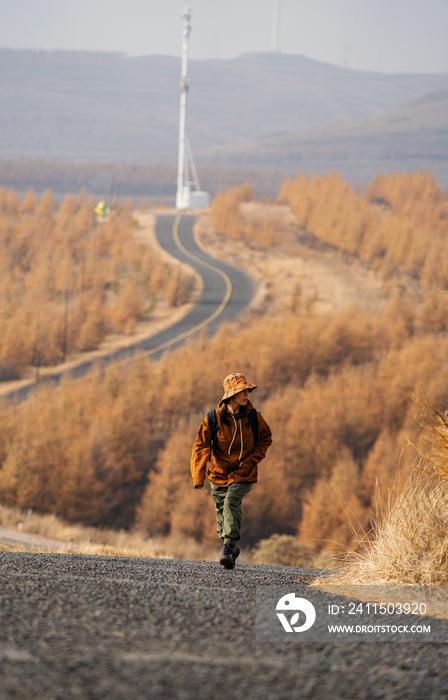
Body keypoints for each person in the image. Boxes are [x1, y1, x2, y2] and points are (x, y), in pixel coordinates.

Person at [191, 373, 272, 569]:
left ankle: (228, 547)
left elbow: (265, 440)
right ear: (230, 395)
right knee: (221, 514)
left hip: (244, 473)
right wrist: (199, 475)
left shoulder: (254, 417)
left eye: (247, 390)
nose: (246, 394)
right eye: (242, 391)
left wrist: (250, 460)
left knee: (230, 502)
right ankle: (231, 548)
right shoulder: (213, 418)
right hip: (218, 473)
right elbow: (201, 446)